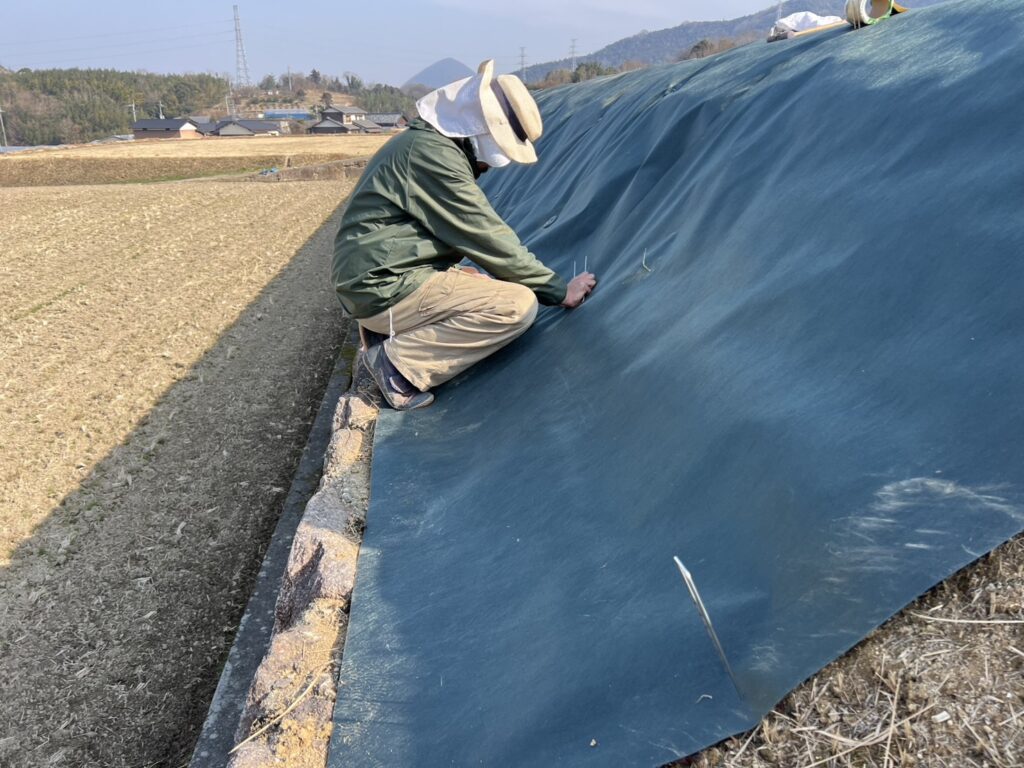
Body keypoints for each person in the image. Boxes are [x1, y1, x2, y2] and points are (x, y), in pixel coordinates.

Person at [332, 59, 596, 410]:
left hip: (376, 278)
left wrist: (453, 271)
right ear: (483, 130)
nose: (490, 166)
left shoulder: (426, 145)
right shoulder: (433, 158)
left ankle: (388, 333)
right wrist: (558, 290)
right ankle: (396, 365)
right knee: (516, 305)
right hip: (381, 286)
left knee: (480, 281)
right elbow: (488, 237)